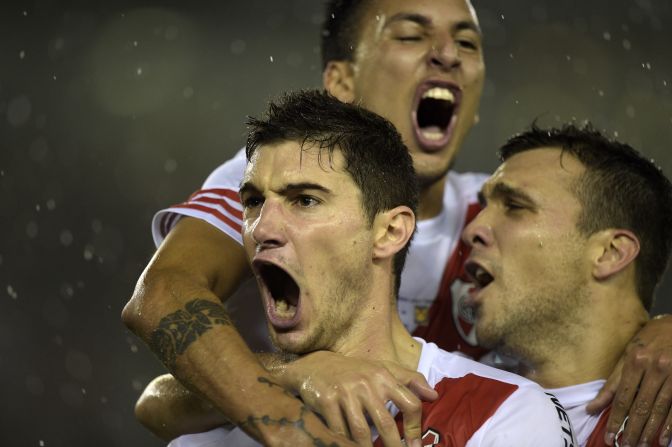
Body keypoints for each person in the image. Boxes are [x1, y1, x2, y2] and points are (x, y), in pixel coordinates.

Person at [123, 0, 672, 445]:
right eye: (410, 36)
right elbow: (163, 303)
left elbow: (606, 279)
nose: (446, 57)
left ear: (393, 231)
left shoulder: (487, 215)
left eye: (466, 42)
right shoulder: (270, 177)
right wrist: (292, 396)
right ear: (340, 83)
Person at [167, 88, 577, 447]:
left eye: (305, 200)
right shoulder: (212, 433)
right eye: (254, 202)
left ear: (390, 232)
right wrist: (292, 374)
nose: (262, 228)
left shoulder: (504, 413)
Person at [462, 123, 672, 446]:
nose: (472, 229)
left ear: (610, 253)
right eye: (483, 207)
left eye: (515, 206)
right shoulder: (428, 391)